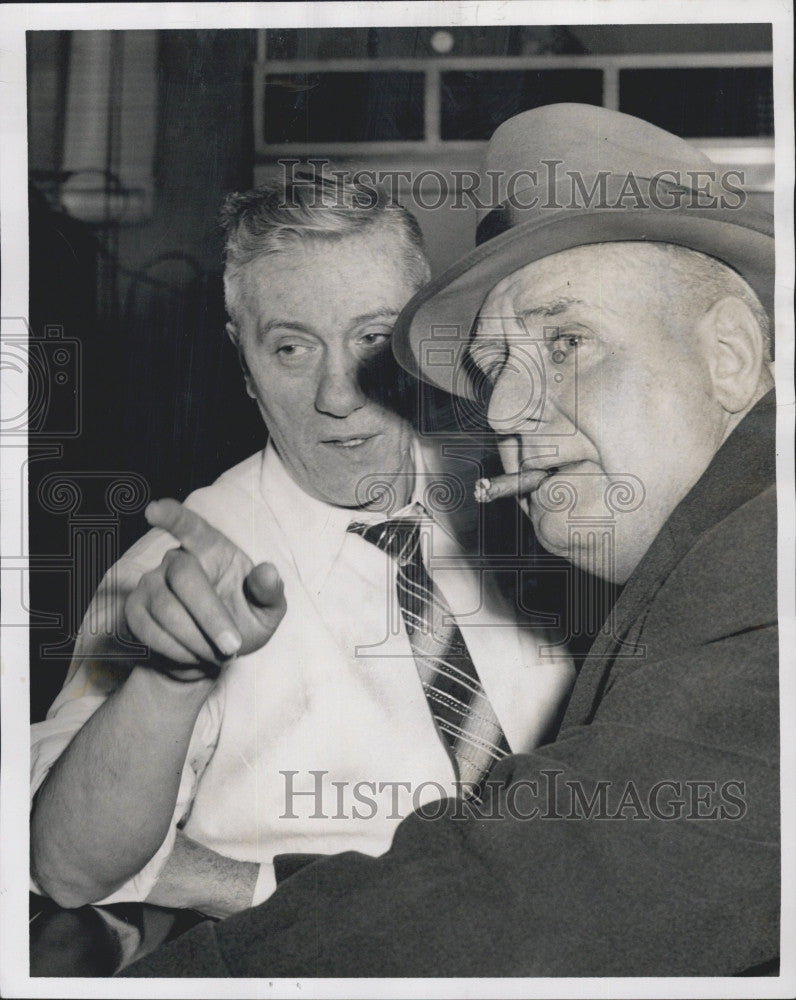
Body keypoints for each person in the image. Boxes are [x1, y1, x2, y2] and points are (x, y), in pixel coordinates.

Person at [122, 103, 780, 977]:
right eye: (496, 365)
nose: (502, 410)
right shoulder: (184, 561)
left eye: (568, 340)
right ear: (243, 365)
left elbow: (532, 895)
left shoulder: (754, 589)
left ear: (730, 356)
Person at [29, 176, 573, 922]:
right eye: (290, 347)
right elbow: (63, 864)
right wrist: (170, 682)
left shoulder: (530, 496)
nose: (339, 395)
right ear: (242, 361)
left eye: (373, 340)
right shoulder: (176, 579)